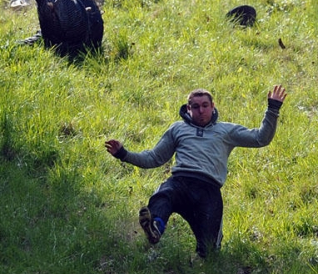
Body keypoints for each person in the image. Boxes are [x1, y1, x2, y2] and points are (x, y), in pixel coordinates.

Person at [105, 85, 287, 258]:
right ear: (188, 108)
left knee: (209, 251)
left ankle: (204, 253)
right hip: (181, 182)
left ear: (213, 106)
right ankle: (155, 228)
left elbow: (260, 138)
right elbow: (154, 158)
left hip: (209, 190)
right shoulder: (178, 129)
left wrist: (273, 109)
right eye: (196, 106)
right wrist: (123, 154)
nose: (201, 111)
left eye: (205, 106)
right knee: (164, 194)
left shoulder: (226, 130)